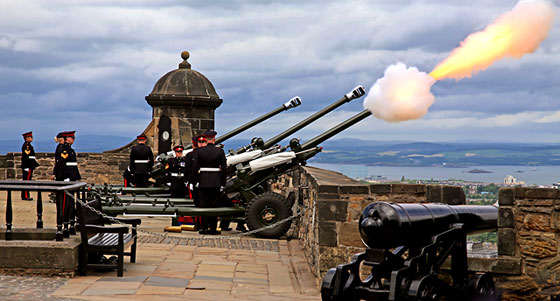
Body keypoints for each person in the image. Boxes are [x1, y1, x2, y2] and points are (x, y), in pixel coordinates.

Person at [192, 130, 227, 235]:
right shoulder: (220, 152)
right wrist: (223, 183)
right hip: (216, 181)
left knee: (203, 204)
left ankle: (203, 228)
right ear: (214, 139)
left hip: (203, 181)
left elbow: (194, 168)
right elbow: (224, 169)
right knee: (214, 205)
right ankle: (212, 228)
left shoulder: (199, 151)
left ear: (206, 139)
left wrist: (195, 181)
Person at [21, 131, 39, 200]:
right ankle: (25, 195)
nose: (32, 138)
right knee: (26, 181)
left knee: (28, 180)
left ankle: (26, 195)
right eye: (31, 137)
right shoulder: (27, 146)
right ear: (27, 138)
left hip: (29, 165)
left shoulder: (28, 145)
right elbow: (27, 157)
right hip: (28, 166)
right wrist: (26, 166)